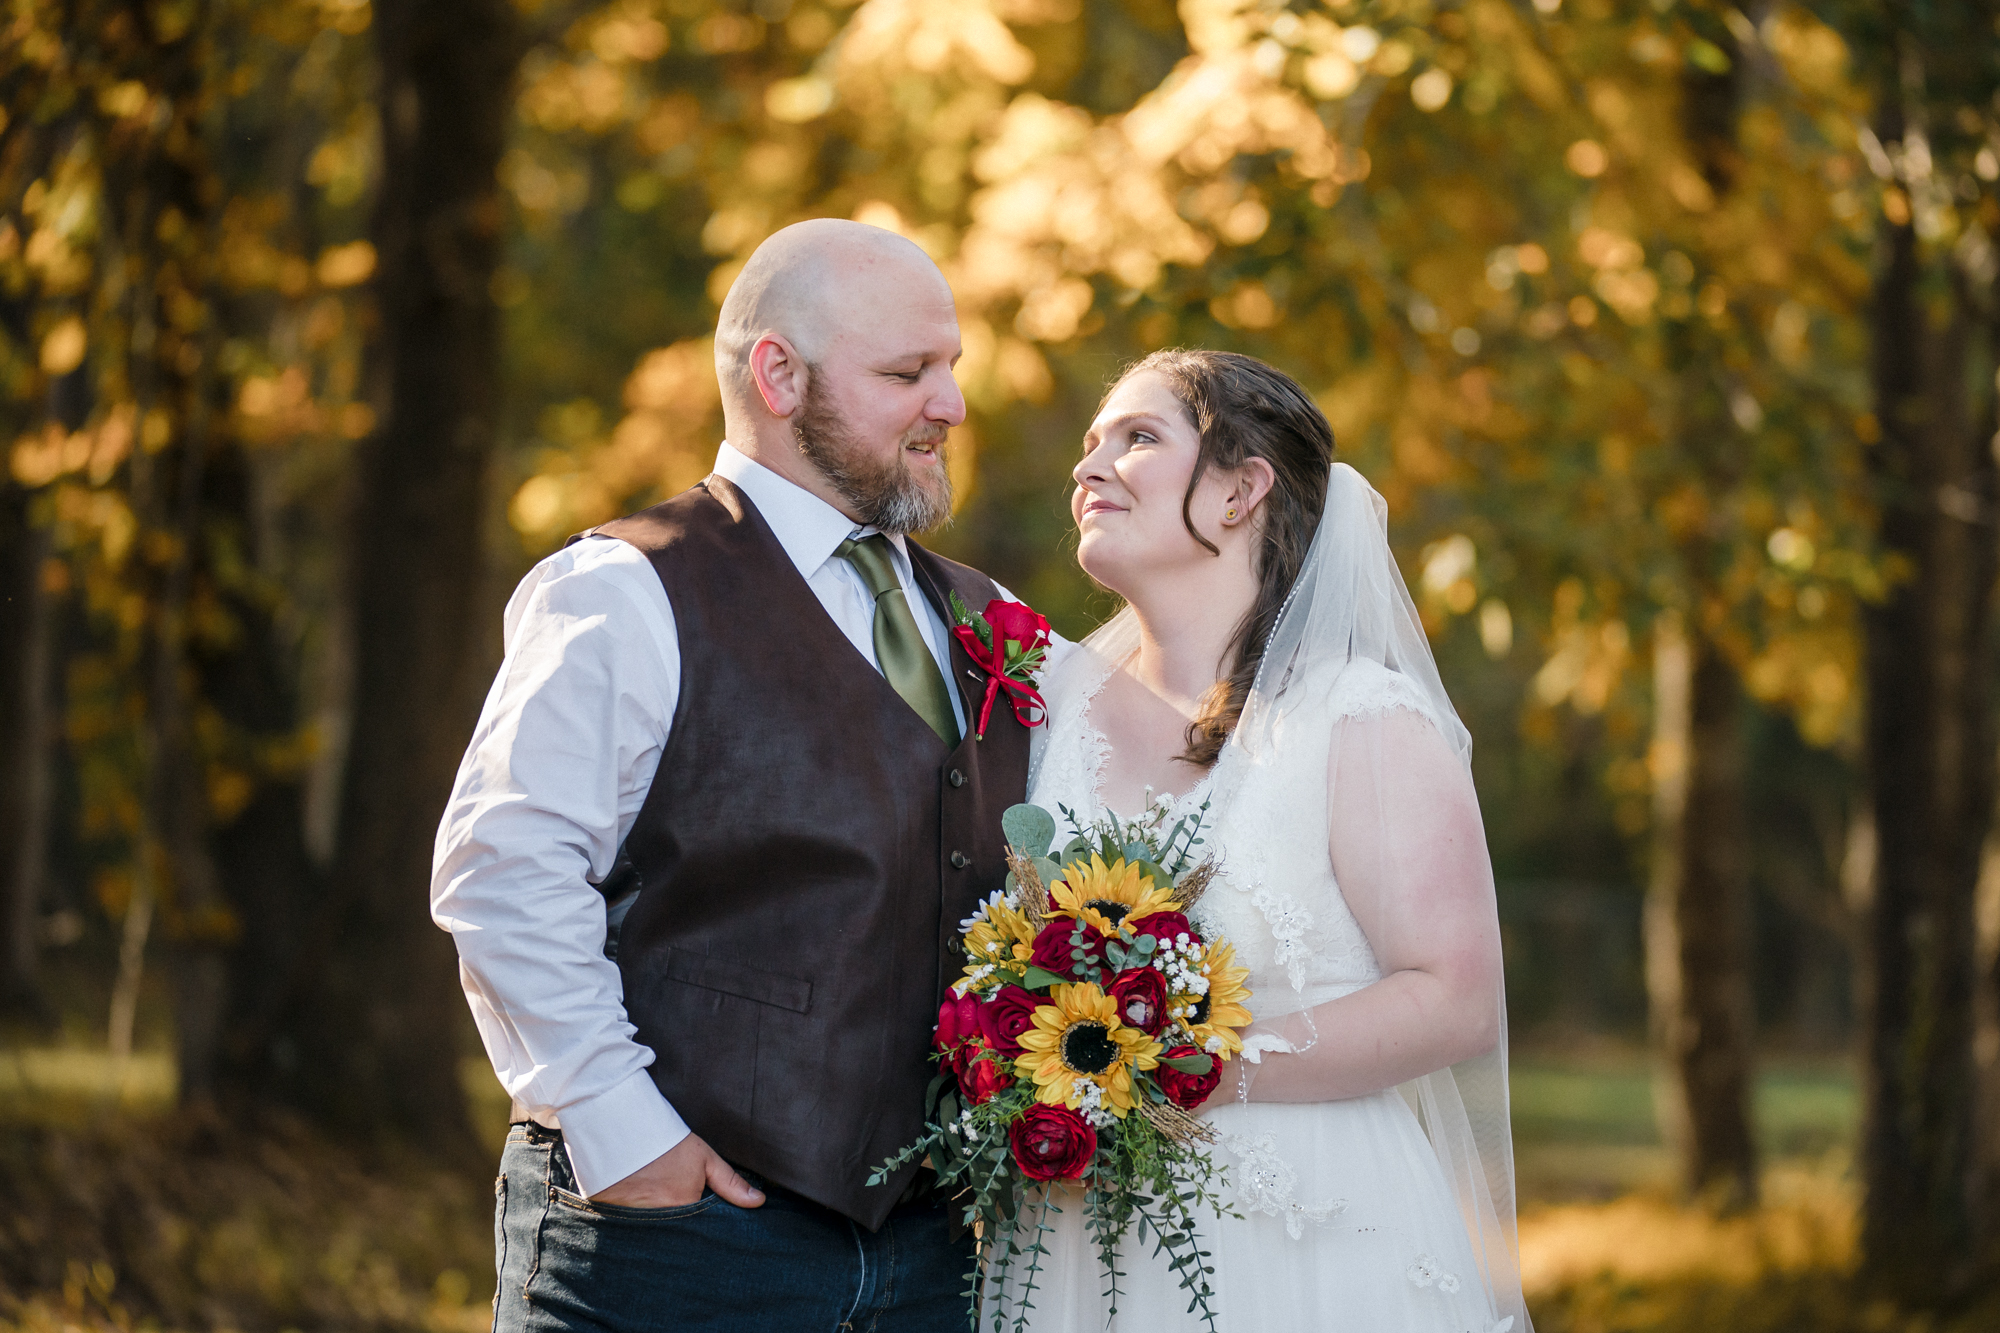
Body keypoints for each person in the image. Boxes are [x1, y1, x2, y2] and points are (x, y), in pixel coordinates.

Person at [432, 218, 1056, 1331]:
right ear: (779, 374)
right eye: (907, 372)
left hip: (929, 1261)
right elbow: (503, 869)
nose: (950, 405)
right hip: (677, 1246)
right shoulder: (627, 587)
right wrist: (626, 1136)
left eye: (950, 368)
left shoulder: (982, 615)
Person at [1011, 350, 1529, 1331]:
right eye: (1087, 445)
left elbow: (1455, 1001)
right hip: (1075, 1240)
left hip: (1307, 1244)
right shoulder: (1043, 711)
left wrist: (1188, 1064)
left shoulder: (1357, 717)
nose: (1087, 467)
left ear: (1242, 488)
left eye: (1136, 438)